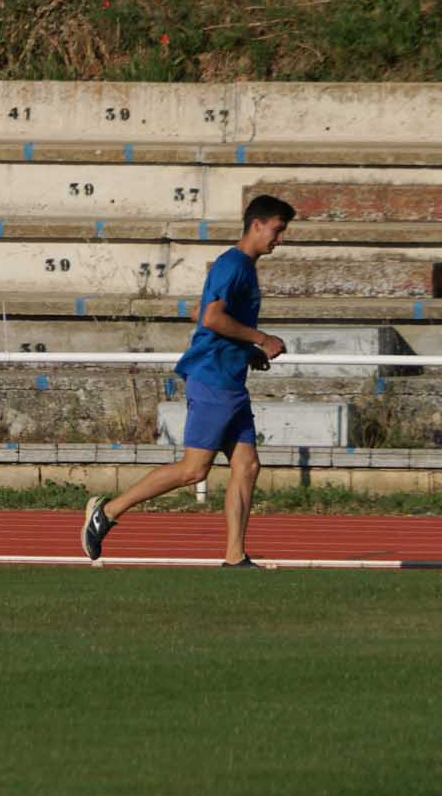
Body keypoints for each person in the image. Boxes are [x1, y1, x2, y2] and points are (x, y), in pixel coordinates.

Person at [82, 194, 296, 568]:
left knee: (246, 467)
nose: (280, 239)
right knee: (194, 469)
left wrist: (248, 353)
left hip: (230, 378)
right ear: (257, 224)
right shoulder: (235, 265)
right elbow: (212, 318)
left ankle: (234, 556)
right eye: (277, 230)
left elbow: (201, 311)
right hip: (213, 378)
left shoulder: (242, 267)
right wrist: (261, 338)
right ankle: (107, 512)